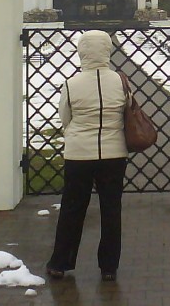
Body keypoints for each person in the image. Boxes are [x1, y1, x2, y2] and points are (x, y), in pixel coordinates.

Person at [46, 30, 128, 282]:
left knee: (72, 208)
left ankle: (61, 262)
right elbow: (126, 112)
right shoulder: (120, 81)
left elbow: (65, 117)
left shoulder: (71, 84)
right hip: (114, 153)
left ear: (82, 51)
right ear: (107, 50)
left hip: (79, 155)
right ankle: (109, 267)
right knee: (111, 209)